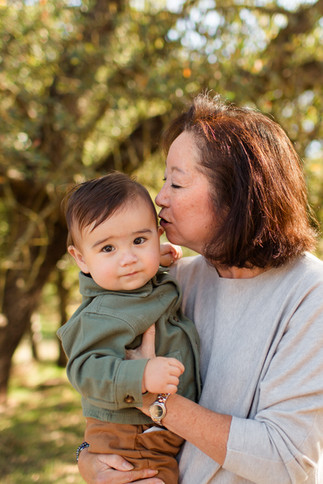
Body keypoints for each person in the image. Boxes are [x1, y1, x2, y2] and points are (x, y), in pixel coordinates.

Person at [77, 92, 323, 484]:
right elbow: (100, 374)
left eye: (176, 182)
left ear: (236, 194)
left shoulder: (310, 294)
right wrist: (89, 457)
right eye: (163, 180)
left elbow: (288, 460)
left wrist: (157, 403)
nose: (159, 198)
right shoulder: (176, 281)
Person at [57, 172, 201, 483]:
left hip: (153, 433)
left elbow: (137, 278)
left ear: (158, 235)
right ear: (81, 259)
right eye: (108, 249)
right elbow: (84, 370)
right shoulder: (102, 314)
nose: (128, 259)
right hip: (129, 440)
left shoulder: (135, 286)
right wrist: (142, 376)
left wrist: (156, 263)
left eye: (139, 240)